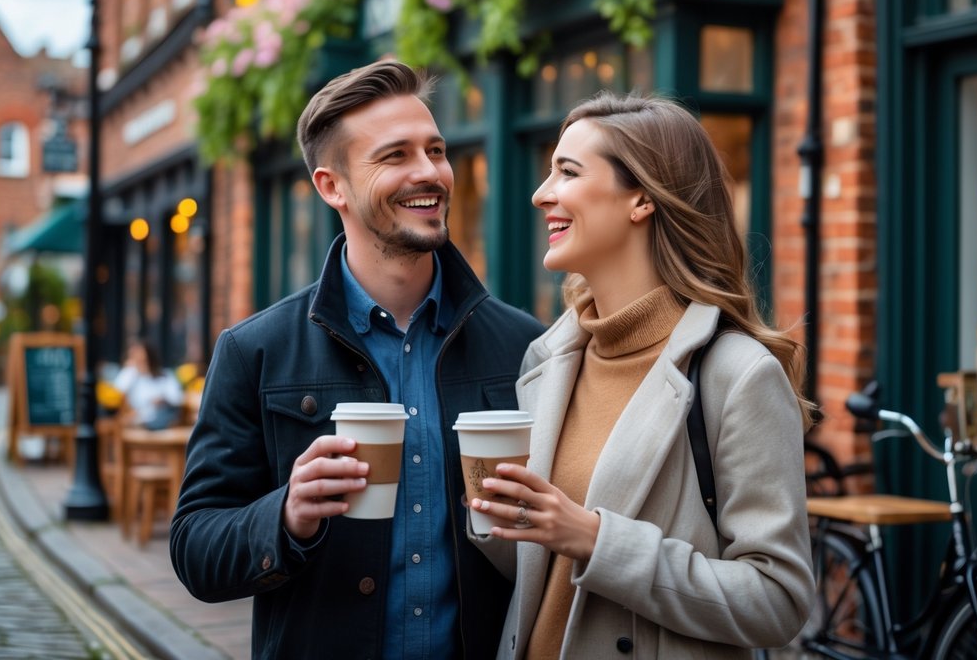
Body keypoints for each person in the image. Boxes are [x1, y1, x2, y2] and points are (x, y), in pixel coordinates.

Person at [170, 59, 544, 658]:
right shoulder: (254, 350)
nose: (430, 173)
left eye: (436, 150)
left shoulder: (527, 347)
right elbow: (195, 548)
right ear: (331, 186)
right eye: (395, 156)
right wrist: (286, 515)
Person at [469, 92, 816, 659]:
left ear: (640, 199)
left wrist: (597, 541)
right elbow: (538, 573)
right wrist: (494, 516)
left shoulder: (737, 375)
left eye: (568, 172)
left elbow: (777, 600)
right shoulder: (547, 361)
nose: (541, 193)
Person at [113, 339, 184, 431]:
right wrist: (130, 369)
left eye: (143, 360)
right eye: (137, 359)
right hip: (139, 419)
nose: (140, 363)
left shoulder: (165, 376)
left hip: (161, 417)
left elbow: (177, 399)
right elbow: (118, 391)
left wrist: (163, 400)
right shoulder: (131, 376)